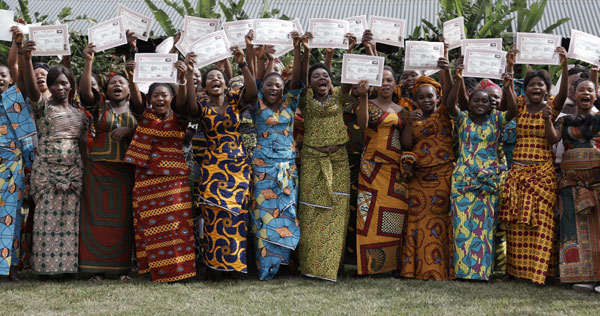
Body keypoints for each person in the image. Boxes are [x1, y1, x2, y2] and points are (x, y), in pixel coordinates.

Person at [499, 46, 569, 285]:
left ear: (547, 89)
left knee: (543, 223)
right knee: (516, 225)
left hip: (543, 174)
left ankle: (541, 273)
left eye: (541, 85)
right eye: (532, 85)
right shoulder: (519, 104)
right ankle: (515, 272)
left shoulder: (552, 106)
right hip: (518, 172)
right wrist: (509, 67)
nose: (536, 88)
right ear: (525, 89)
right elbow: (506, 103)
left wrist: (564, 64)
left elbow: (564, 93)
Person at [124, 55, 197, 282]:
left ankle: (181, 272)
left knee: (177, 226)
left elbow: (185, 103)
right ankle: (155, 271)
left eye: (164, 95)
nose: (159, 99)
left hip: (174, 180)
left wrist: (184, 78)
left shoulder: (180, 118)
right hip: (146, 178)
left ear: (171, 98)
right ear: (150, 99)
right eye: (155, 95)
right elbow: (135, 99)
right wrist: (131, 76)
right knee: (150, 225)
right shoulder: (144, 115)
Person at [186, 47, 257, 276]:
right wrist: (188, 75)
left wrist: (243, 63)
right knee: (214, 214)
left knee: (236, 215)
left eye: (219, 77)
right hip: (212, 166)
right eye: (210, 79)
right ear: (205, 88)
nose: (215, 80)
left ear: (226, 85)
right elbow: (189, 105)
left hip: (238, 166)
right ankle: (213, 267)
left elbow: (253, 92)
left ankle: (235, 266)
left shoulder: (236, 100)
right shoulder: (202, 107)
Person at [19, 40, 88, 277]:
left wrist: (86, 174)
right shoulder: (42, 107)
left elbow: (82, 148)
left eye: (64, 83)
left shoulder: (80, 116)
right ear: (48, 87)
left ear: (71, 87)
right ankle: (45, 269)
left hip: (73, 172)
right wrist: (26, 58)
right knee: (45, 221)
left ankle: (68, 269)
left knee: (70, 222)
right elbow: (30, 87)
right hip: (46, 172)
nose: (60, 88)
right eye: (55, 84)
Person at [447, 63, 517, 281]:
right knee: (462, 227)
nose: (480, 103)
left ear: (490, 106)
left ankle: (481, 272)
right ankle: (462, 272)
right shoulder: (463, 120)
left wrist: (509, 85)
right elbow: (450, 106)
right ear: (469, 102)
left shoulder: (497, 120)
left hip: (487, 181)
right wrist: (458, 78)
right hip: (463, 179)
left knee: (484, 229)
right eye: (476, 100)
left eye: (484, 101)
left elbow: (513, 110)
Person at [78, 43, 138, 282]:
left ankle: (121, 269)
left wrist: (130, 127)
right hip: (98, 170)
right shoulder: (99, 105)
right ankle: (94, 270)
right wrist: (89, 61)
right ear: (105, 87)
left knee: (122, 220)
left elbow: (147, 127)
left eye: (122, 83)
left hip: (125, 172)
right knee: (95, 220)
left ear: (130, 90)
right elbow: (84, 93)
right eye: (113, 82)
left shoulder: (138, 110)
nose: (117, 85)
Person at [296, 32, 352, 282]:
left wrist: (348, 49)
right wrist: (306, 50)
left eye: (326, 76)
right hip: (312, 161)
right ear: (310, 83)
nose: (322, 78)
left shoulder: (340, 95)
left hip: (339, 161)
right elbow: (298, 77)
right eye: (316, 76)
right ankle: (311, 267)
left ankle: (332, 267)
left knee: (337, 211)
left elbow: (349, 78)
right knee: (311, 212)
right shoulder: (305, 98)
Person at [249, 30, 303, 280]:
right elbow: (254, 77)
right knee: (263, 215)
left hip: (287, 169)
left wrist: (298, 48)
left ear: (284, 89)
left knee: (286, 212)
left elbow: (298, 78)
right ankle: (264, 268)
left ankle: (283, 264)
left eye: (278, 85)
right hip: (262, 168)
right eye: (269, 84)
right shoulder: (257, 102)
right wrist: (255, 52)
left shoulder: (290, 103)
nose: (273, 88)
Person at [355, 66, 413, 275]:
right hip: (371, 168)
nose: (385, 84)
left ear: (395, 85)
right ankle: (368, 267)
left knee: (394, 216)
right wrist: (362, 97)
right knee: (368, 216)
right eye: (381, 80)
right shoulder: (367, 104)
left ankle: (389, 266)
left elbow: (406, 143)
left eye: (389, 80)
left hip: (394, 171)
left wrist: (409, 124)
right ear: (375, 85)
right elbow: (362, 125)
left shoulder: (402, 111)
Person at [401, 68, 455, 280]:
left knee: (439, 221)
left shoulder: (443, 112)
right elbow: (407, 144)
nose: (425, 100)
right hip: (418, 177)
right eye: (421, 97)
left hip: (442, 174)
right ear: (415, 99)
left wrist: (448, 70)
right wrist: (407, 122)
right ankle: (413, 270)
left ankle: (440, 271)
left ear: (437, 97)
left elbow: (451, 94)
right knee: (416, 221)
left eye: (430, 96)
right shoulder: (412, 116)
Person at [554, 76, 600, 291]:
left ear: (596, 95)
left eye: (590, 90)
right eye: (581, 90)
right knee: (572, 228)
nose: (586, 94)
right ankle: (578, 276)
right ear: (573, 94)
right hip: (570, 185)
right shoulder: (564, 121)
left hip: (597, 184)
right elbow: (551, 140)